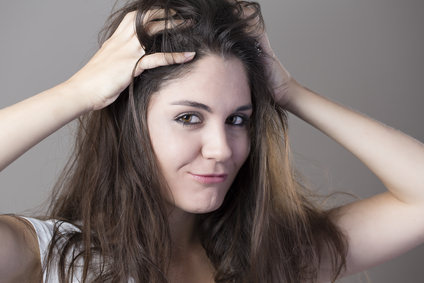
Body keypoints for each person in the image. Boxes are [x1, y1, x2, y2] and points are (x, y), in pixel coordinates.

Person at [0, 0, 423, 282]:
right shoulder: (51, 258)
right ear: (129, 127)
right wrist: (77, 93)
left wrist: (289, 91)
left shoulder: (270, 258)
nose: (222, 149)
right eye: (188, 117)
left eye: (238, 119)